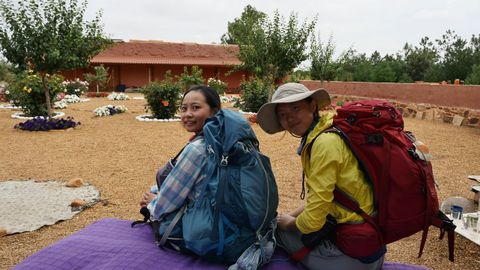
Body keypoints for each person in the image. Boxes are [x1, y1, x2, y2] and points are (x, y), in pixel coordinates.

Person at [256, 82, 385, 270]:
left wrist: (289, 224)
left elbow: (313, 220)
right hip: (369, 244)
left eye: (295, 108)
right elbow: (326, 198)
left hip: (355, 257)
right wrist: (287, 217)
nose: (289, 118)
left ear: (313, 106)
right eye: (282, 115)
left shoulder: (323, 144)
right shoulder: (329, 131)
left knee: (278, 234)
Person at [139, 84, 221, 229]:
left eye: (195, 107)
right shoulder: (222, 139)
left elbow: (163, 207)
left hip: (204, 227)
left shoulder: (198, 149)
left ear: (214, 112)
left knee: (151, 201)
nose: (187, 114)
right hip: (222, 216)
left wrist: (152, 202)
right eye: (184, 108)